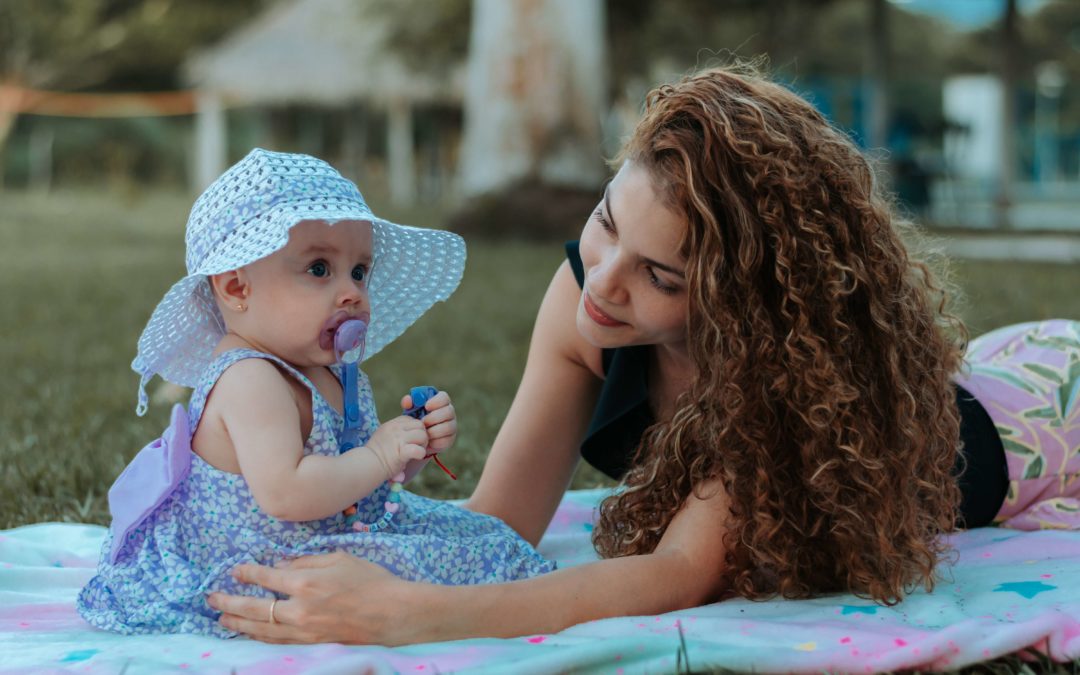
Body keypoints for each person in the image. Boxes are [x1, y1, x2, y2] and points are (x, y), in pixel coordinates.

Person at [208, 66, 1080, 645]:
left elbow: (674, 575)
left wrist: (408, 614)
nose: (603, 284)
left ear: (741, 303)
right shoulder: (590, 289)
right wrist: (335, 543)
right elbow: (502, 525)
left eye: (659, 274)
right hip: (991, 371)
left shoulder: (774, 381)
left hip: (1045, 413)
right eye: (606, 222)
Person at [77, 149, 555, 637]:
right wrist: (378, 453)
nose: (352, 293)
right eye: (320, 269)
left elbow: (350, 476)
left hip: (328, 533)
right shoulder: (250, 380)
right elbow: (288, 492)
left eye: (359, 271)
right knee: (453, 572)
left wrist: (408, 449)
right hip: (263, 556)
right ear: (236, 287)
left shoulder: (328, 369)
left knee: (484, 538)